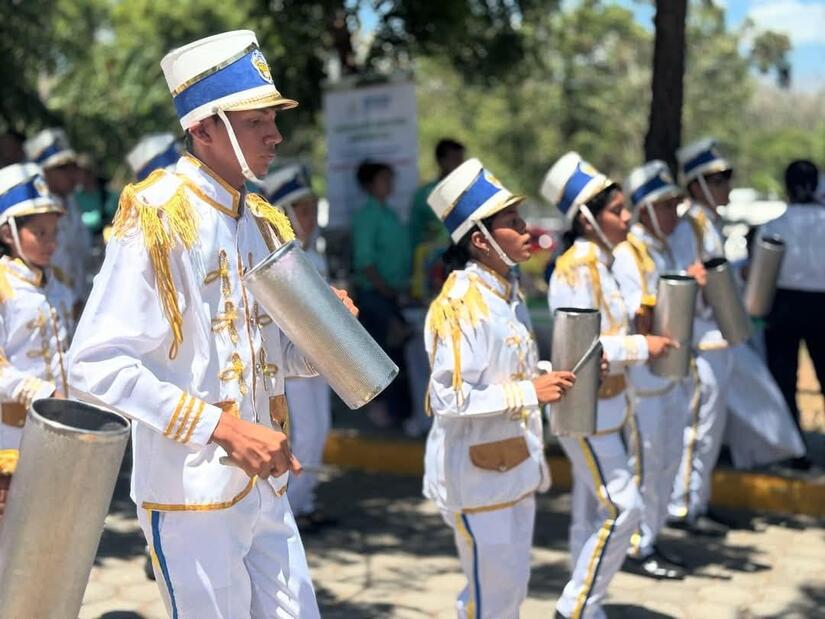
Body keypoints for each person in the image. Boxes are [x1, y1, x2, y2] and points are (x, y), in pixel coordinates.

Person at [67, 30, 356, 618]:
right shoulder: (156, 213)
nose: (276, 133)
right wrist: (225, 430)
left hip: (267, 485)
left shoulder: (261, 220)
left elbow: (266, 353)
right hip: (191, 497)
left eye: (273, 119)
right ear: (204, 128)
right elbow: (94, 363)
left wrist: (327, 332)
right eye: (257, 122)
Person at [424, 158, 573, 618]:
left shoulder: (507, 290)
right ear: (479, 240)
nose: (527, 230)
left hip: (514, 465)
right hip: (477, 477)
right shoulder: (459, 304)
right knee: (491, 595)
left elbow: (513, 369)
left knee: (508, 591)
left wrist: (551, 375)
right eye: (512, 223)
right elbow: (447, 399)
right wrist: (532, 393)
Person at [542, 152, 675, 619]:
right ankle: (576, 607)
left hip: (609, 407)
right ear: (586, 218)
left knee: (595, 512)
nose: (625, 219)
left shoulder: (606, 261)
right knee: (624, 509)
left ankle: (584, 603)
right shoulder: (577, 266)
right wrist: (644, 346)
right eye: (616, 211)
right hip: (586, 408)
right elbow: (582, 347)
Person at [613, 161, 690, 580]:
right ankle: (639, 547)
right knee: (646, 464)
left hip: (669, 374)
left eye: (675, 204)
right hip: (643, 380)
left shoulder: (663, 246)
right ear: (644, 210)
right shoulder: (631, 253)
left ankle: (652, 537)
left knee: (666, 461)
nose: (673, 213)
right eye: (664, 206)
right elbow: (636, 316)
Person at [0, 162, 73, 516]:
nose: (50, 242)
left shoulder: (56, 280)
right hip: (9, 438)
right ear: (8, 233)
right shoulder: (2, 284)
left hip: (59, 429)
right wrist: (43, 394)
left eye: (53, 232)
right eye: (39, 233)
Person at [263, 164, 333, 529]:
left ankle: (305, 503)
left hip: (320, 359)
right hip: (293, 361)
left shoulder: (313, 255)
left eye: (309, 208)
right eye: (300, 210)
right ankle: (288, 508)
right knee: (302, 433)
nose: (309, 217)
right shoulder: (280, 259)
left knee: (319, 430)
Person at [762, 159, 825, 470]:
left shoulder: (773, 227)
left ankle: (794, 450)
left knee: (784, 380)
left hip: (784, 306)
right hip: (821, 306)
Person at [351, 160, 412, 426]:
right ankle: (381, 409)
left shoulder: (390, 214)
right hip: (375, 295)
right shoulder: (367, 216)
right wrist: (384, 290)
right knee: (382, 355)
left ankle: (398, 412)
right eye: (384, 179)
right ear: (369, 185)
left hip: (393, 293)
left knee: (396, 353)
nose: (390, 184)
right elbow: (365, 260)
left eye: (391, 179)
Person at [23, 129, 92, 313]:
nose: (71, 173)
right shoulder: (32, 214)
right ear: (43, 172)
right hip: (53, 309)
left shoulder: (70, 203)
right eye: (61, 168)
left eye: (71, 165)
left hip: (82, 303)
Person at [409, 138, 465, 301]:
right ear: (441, 161)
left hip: (462, 262)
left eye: (461, 160)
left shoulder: (468, 192)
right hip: (432, 264)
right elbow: (415, 232)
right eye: (454, 159)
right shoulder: (425, 194)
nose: (458, 164)